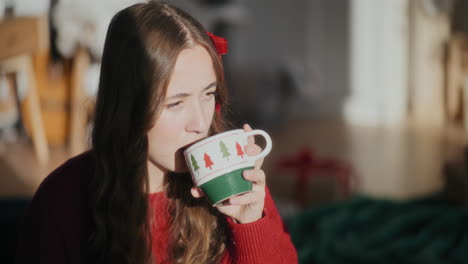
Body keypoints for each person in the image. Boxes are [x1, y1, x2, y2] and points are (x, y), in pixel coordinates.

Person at [16, 1, 298, 263]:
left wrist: (250, 225)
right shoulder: (62, 200)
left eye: (208, 93)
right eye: (176, 103)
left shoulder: (235, 183)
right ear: (129, 106)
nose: (200, 123)